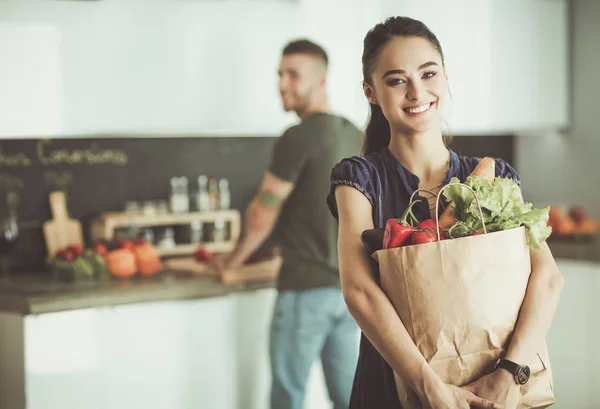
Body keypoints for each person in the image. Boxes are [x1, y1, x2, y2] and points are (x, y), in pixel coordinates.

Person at [326, 16, 564, 409]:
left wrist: (509, 373)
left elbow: (547, 278)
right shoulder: (359, 179)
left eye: (428, 73)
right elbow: (359, 291)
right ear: (371, 92)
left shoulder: (493, 175)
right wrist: (427, 384)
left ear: (446, 77)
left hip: (497, 383)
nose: (416, 91)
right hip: (391, 388)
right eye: (396, 80)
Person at [215, 39, 362, 409]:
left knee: (288, 396)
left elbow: (264, 210)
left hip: (303, 289)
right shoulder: (355, 133)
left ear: (321, 79)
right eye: (280, 75)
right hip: (350, 293)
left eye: (293, 75)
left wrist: (232, 261)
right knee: (349, 398)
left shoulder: (297, 137)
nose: (283, 84)